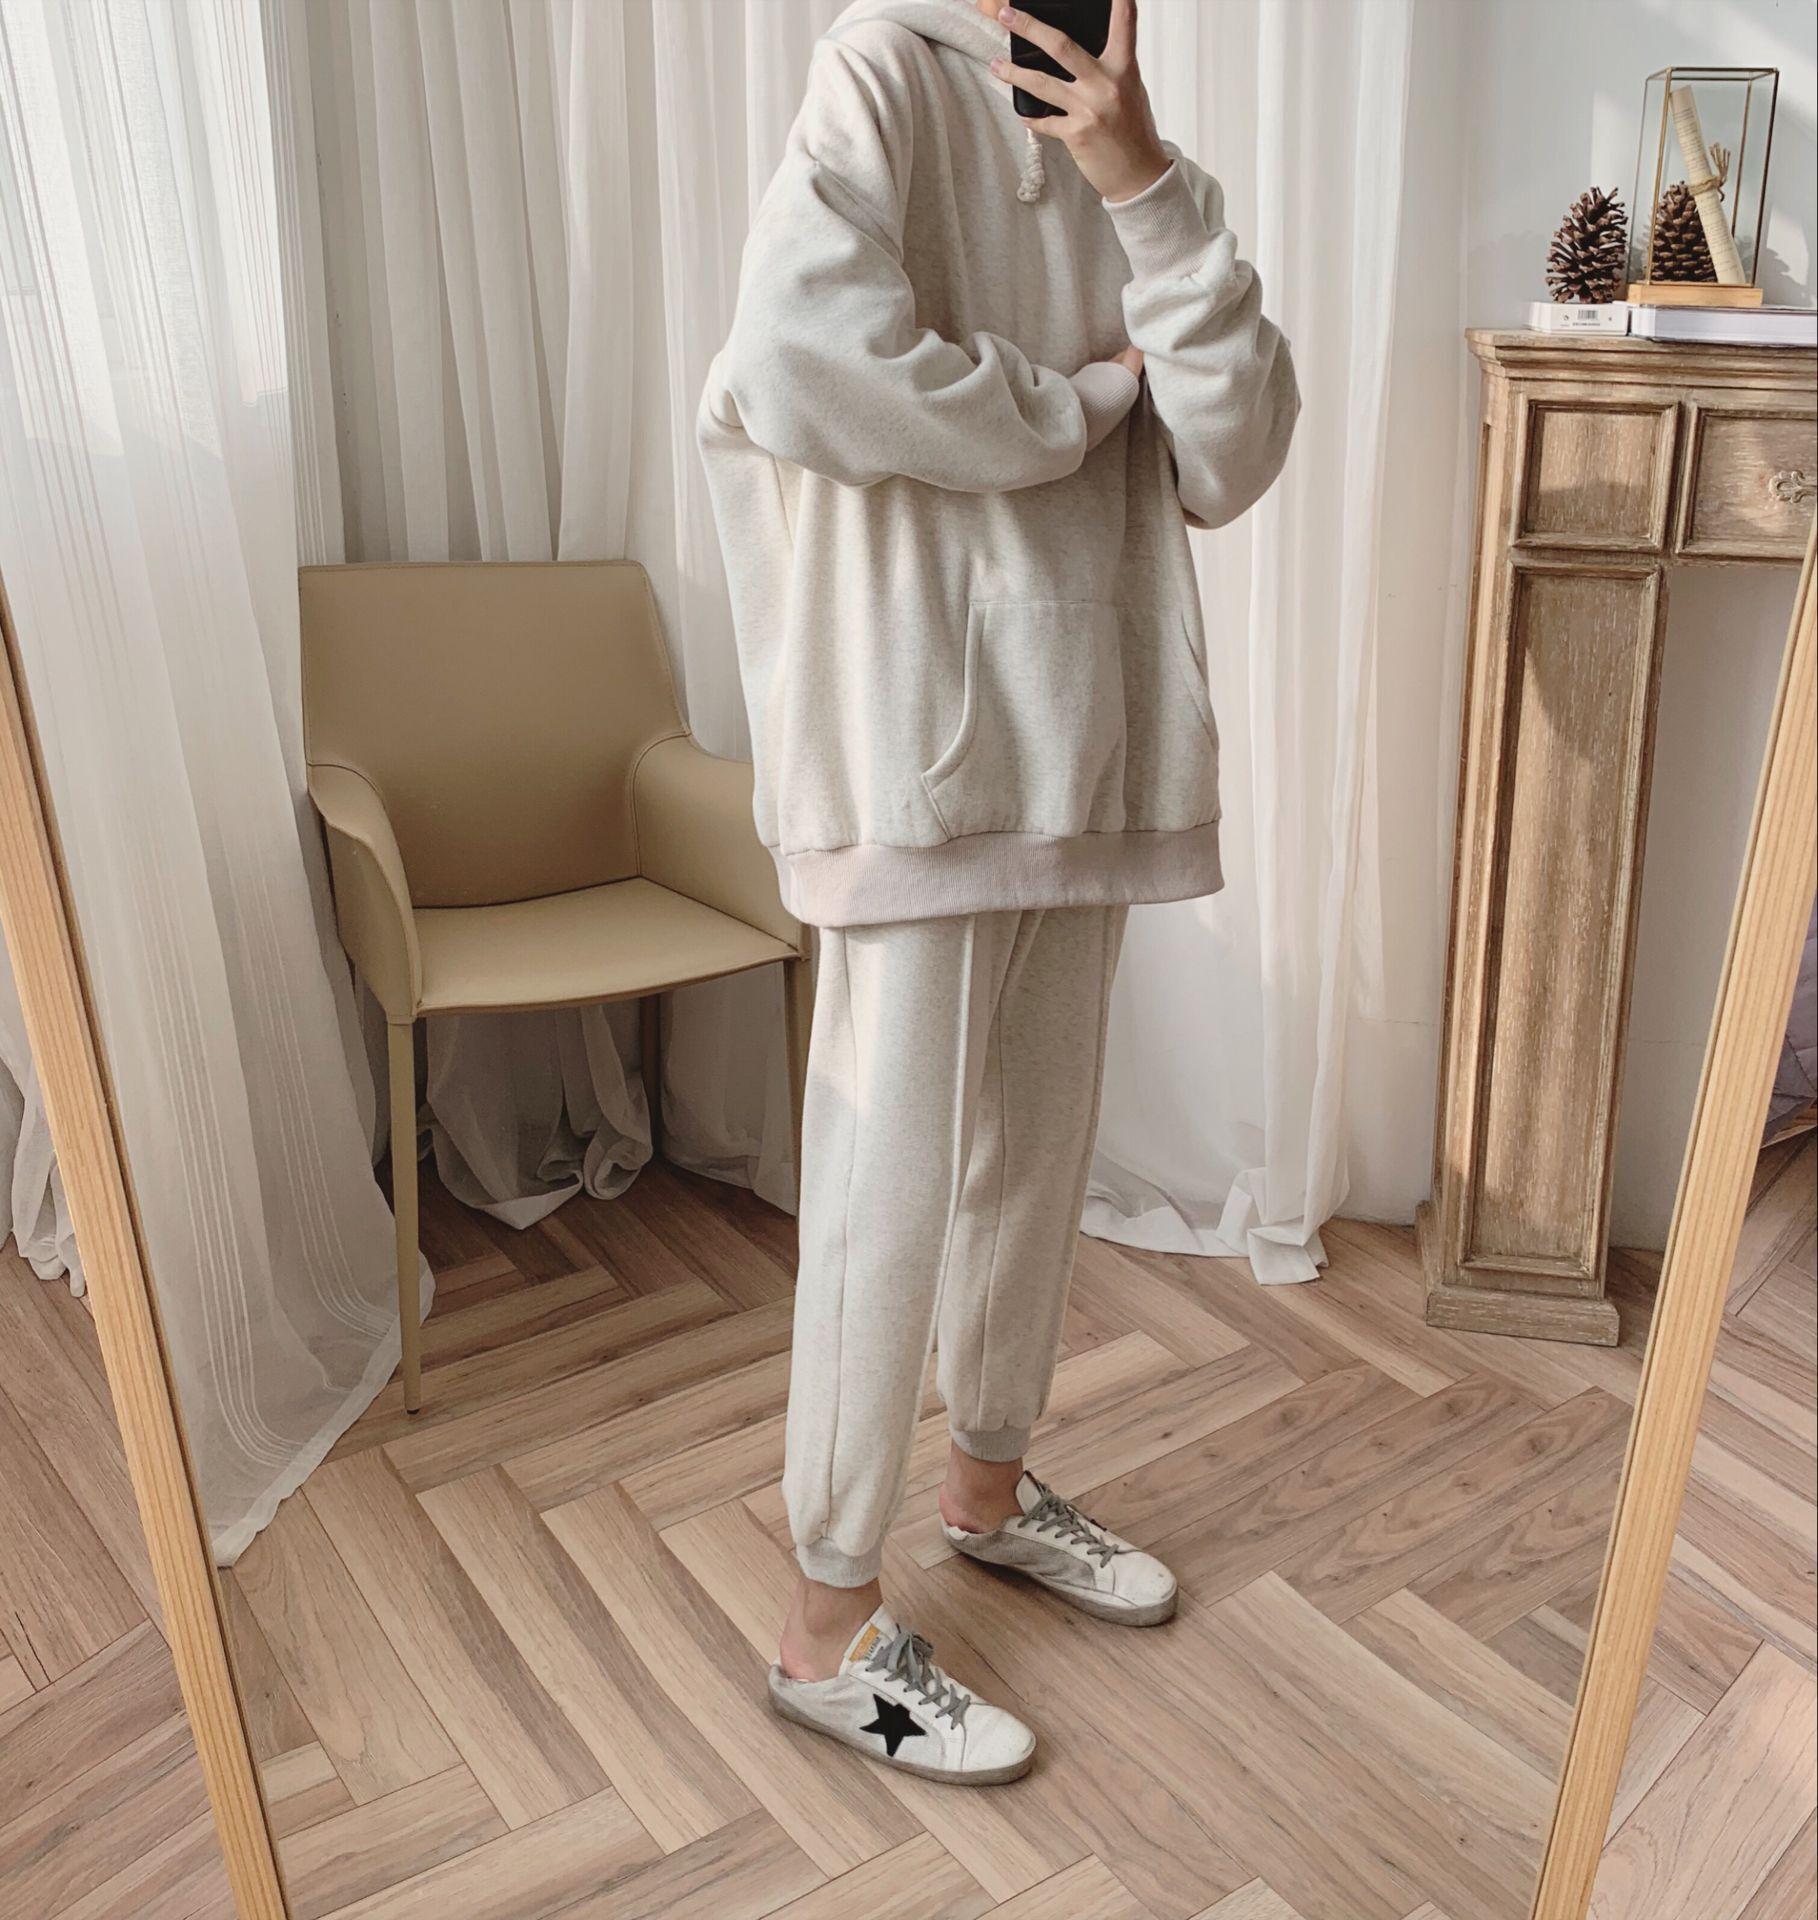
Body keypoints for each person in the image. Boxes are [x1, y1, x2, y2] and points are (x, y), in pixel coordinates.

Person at [698, 0, 1296, 1785]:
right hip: (917, 742)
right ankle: (821, 1629)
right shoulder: (880, 68)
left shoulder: (1133, 157)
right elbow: (793, 354)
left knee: (1035, 1152)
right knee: (884, 1194)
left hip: (1088, 741)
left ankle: (985, 1486)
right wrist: (1076, 404)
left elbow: (1235, 451)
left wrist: (1143, 185)